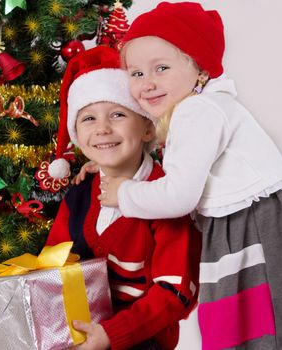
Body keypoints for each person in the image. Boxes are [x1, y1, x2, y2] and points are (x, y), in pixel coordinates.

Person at [91, 2, 282, 350]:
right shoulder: (203, 108)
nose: (148, 83)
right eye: (137, 73)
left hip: (254, 227)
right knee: (257, 329)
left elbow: (178, 195)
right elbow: (173, 161)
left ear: (199, 70)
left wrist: (123, 194)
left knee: (264, 329)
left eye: (161, 68)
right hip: (253, 222)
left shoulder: (198, 112)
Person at [45, 45, 201, 350]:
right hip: (79, 336)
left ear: (146, 127)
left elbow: (175, 292)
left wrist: (111, 335)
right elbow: (52, 267)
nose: (103, 129)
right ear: (76, 134)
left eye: (117, 114)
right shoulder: (78, 196)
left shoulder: (168, 199)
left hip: (143, 339)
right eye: (88, 119)